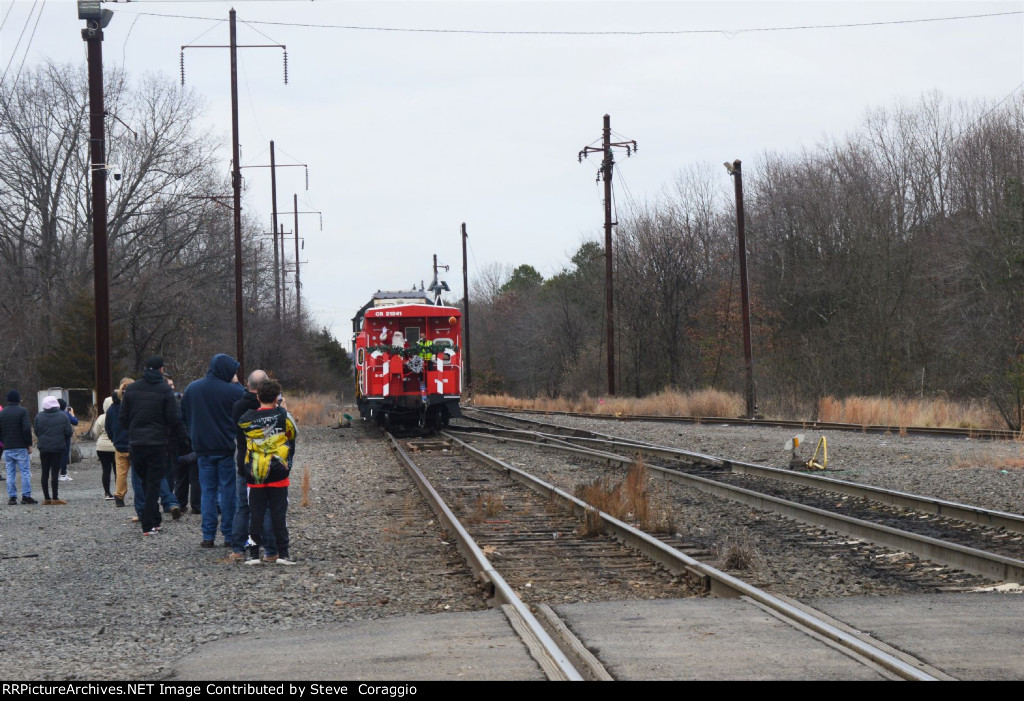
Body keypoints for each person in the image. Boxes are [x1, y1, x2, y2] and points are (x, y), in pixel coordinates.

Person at [181, 353, 245, 549]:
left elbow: (183, 415)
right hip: (225, 447)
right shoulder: (233, 391)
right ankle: (228, 534)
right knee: (228, 490)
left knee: (207, 490)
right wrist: (236, 383)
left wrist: (193, 434)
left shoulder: (192, 388)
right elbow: (247, 405)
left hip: (201, 448)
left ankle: (208, 535)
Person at [120, 356, 184, 536]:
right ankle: (148, 525)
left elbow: (123, 418)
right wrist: (180, 438)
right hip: (157, 443)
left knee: (145, 482)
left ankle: (154, 520)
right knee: (154, 483)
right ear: (161, 370)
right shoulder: (165, 390)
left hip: (136, 444)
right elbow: (173, 418)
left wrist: (133, 430)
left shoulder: (131, 389)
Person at [238, 379, 297, 565]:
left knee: (255, 516)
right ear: (277, 398)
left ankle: (253, 554)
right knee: (279, 515)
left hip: (255, 472)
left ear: (257, 396)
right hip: (278, 471)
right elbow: (292, 435)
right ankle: (283, 553)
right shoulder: (284, 417)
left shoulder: (246, 419)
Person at [227, 369, 277, 563]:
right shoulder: (272, 409)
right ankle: (270, 550)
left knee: (243, 507)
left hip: (244, 463)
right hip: (266, 464)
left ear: (248, 385)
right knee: (265, 508)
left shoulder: (238, 406)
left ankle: (238, 548)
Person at [1, 390, 37, 505]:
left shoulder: (2, 413)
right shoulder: (23, 411)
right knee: (25, 471)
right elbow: (26, 429)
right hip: (21, 446)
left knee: (10, 472)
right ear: (18, 399)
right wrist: (29, 444)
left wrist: (4, 442)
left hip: (7, 447)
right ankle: (26, 496)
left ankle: (12, 497)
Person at [34, 396, 72, 504]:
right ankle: (55, 498)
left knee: (44, 472)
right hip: (58, 447)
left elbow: (36, 431)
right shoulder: (63, 416)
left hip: (44, 448)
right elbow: (69, 432)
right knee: (55, 473)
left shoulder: (39, 416)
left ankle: (46, 498)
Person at [106, 378, 133, 508]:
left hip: (120, 445)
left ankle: (119, 495)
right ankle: (142, 496)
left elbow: (108, 427)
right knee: (139, 473)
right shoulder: (133, 406)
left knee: (121, 473)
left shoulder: (111, 409)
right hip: (134, 444)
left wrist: (114, 438)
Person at [94, 396, 116, 499]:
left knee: (106, 470)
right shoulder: (118, 415)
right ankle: (119, 492)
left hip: (102, 447)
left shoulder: (101, 417)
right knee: (118, 471)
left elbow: (95, 432)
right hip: (115, 446)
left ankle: (107, 493)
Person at [56, 398, 78, 481]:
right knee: (64, 456)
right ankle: (63, 474)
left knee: (56, 456)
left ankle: (55, 474)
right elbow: (75, 422)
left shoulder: (52, 414)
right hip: (64, 438)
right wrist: (72, 414)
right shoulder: (66, 414)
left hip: (54, 438)